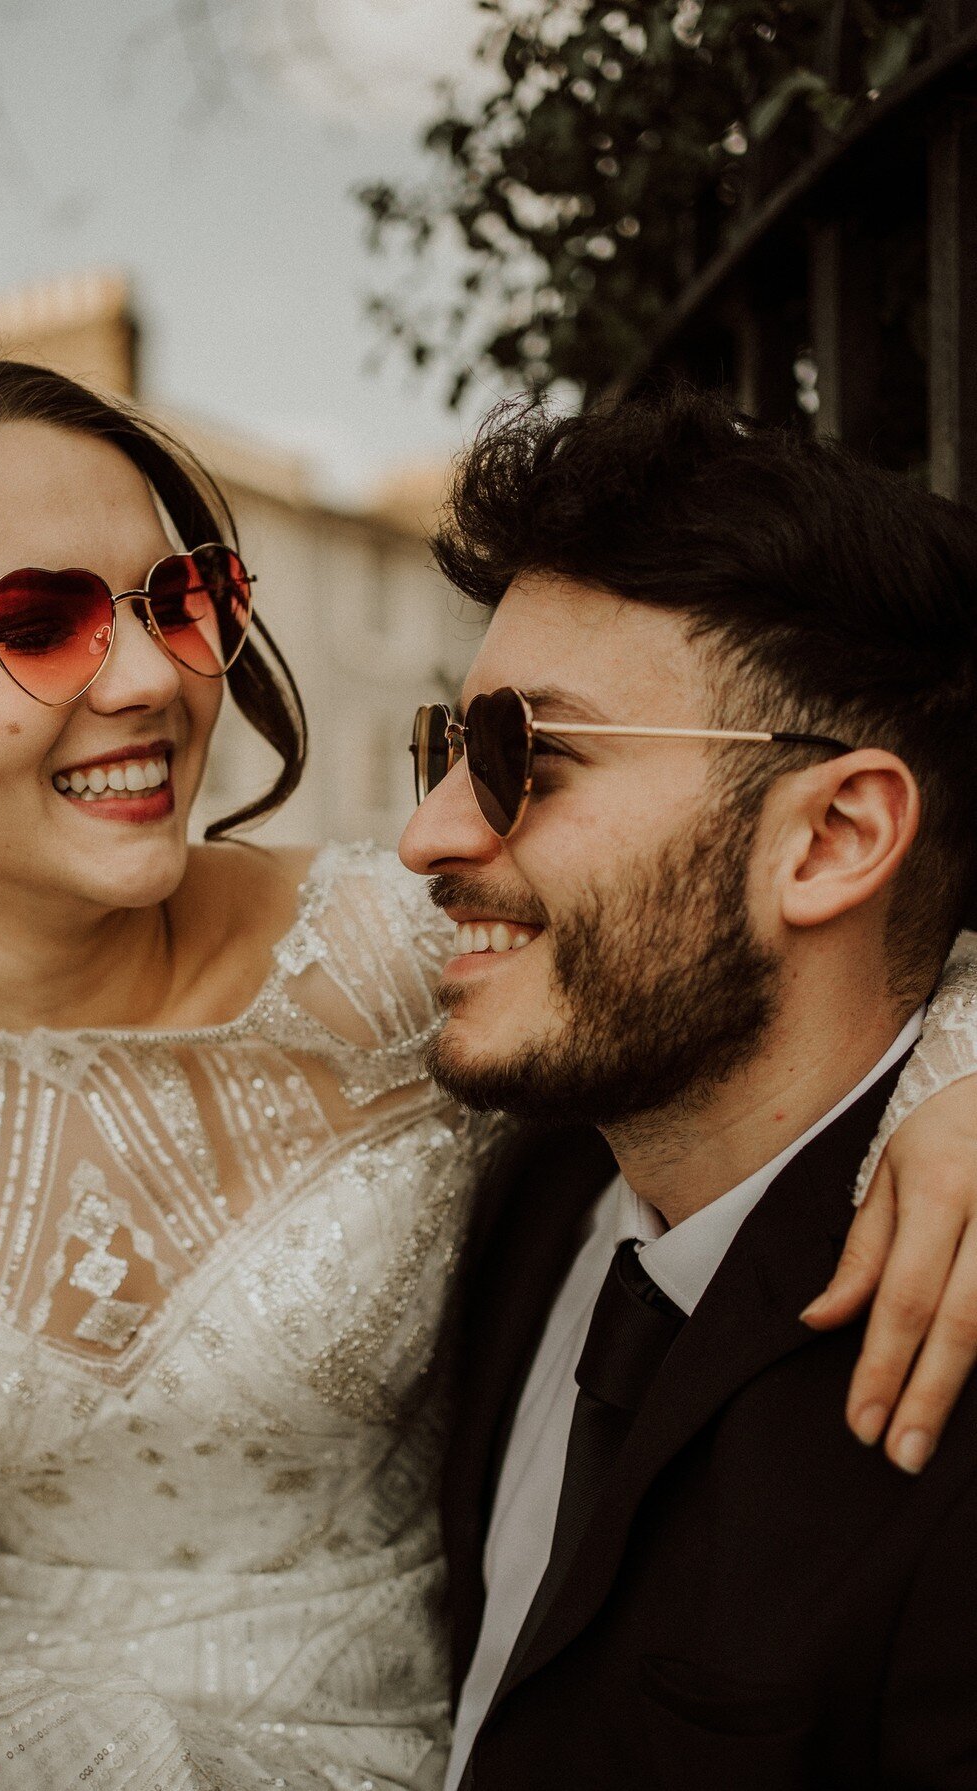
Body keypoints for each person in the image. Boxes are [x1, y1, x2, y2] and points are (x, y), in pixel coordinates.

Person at [0, 340, 977, 1791]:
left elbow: (769, 930)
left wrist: (965, 1057)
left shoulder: (408, 946)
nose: (158, 676)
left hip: (369, 1730)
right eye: (39, 623)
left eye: (184, 599)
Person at [401, 387, 977, 1789]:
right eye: (445, 747)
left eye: (522, 756)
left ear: (835, 837)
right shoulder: (520, 1189)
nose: (423, 836)